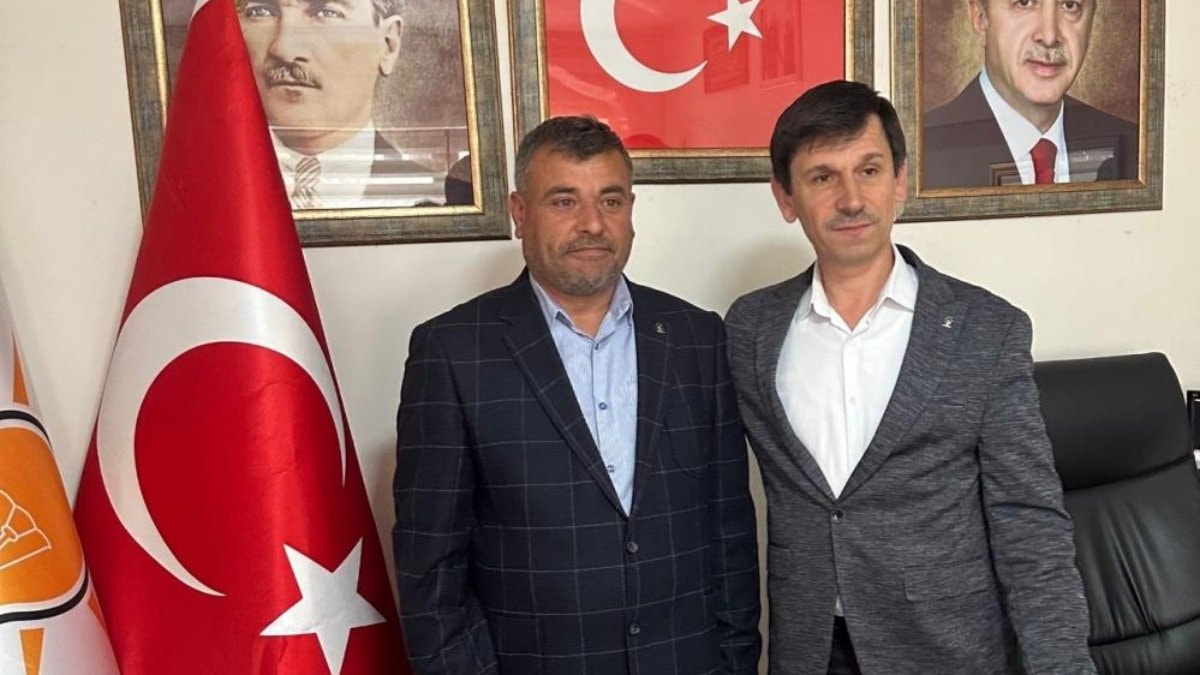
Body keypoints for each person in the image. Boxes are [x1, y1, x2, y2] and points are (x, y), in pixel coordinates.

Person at [726, 81, 1095, 674]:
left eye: (869, 170)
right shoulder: (750, 328)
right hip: (810, 648)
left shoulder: (985, 329)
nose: (851, 199)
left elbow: (1028, 520)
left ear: (900, 180)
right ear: (786, 197)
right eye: (822, 177)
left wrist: (1063, 666)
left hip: (946, 650)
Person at [394, 116, 761, 674]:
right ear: (520, 213)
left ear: (631, 210)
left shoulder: (697, 337)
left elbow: (729, 531)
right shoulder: (452, 351)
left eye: (610, 201)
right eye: (564, 201)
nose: (592, 224)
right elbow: (430, 568)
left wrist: (735, 664)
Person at [238, 0, 468, 207]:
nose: (284, 49)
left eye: (327, 12)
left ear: (388, 43)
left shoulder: (442, 200)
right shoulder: (220, 188)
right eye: (261, 11)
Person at [923, 0, 1137, 188]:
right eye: (1024, 3)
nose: (1049, 36)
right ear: (980, 18)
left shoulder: (1135, 151)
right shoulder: (924, 154)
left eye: (1070, 5)